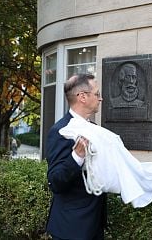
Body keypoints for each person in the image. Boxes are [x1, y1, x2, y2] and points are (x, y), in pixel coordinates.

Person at [46, 74, 107, 240]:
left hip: (94, 226)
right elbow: (55, 182)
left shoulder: (94, 129)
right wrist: (76, 157)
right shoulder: (60, 131)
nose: (101, 99)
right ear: (82, 97)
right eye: (97, 94)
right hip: (70, 229)